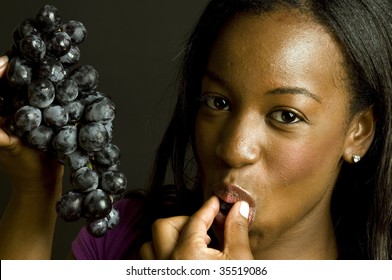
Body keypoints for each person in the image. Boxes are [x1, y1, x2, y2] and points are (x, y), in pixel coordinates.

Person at [0, 0, 391, 260]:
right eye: (217, 103)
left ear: (358, 132)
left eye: (286, 116)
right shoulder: (121, 239)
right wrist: (36, 190)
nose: (234, 149)